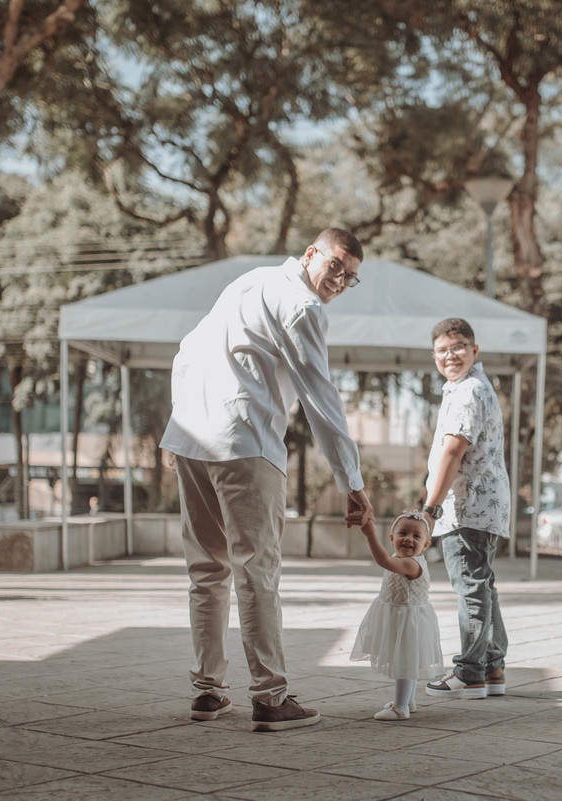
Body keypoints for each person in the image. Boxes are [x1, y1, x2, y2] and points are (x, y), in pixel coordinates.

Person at [160, 228, 374, 732]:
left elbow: (187, 352)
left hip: (193, 440)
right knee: (256, 570)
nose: (339, 281)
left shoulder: (250, 280)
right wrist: (351, 480)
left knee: (206, 571)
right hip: (245, 442)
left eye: (350, 277)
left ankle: (207, 692)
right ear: (310, 254)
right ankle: (270, 697)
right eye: (336, 266)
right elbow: (320, 397)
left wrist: (175, 427)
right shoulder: (302, 305)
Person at [421, 318, 510, 700]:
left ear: (474, 350)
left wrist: (430, 509)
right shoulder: (470, 387)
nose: (449, 355)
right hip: (484, 505)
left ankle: (469, 673)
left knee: (471, 587)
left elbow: (453, 451)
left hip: (467, 506)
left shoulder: (468, 390)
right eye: (441, 350)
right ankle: (492, 668)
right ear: (434, 357)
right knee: (483, 585)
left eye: (457, 347)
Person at [350, 510, 445, 721]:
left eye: (416, 536)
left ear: (425, 545)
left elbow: (383, 560)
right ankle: (407, 700)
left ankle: (400, 707)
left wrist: (370, 533)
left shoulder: (411, 563)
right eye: (403, 533)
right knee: (405, 662)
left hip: (408, 622)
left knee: (404, 665)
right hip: (399, 617)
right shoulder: (401, 558)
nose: (409, 539)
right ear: (392, 538)